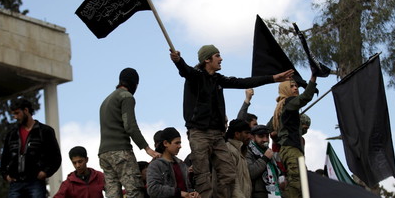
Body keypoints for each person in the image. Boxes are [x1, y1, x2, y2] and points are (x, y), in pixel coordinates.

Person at [170, 45, 294, 198]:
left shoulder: (218, 80)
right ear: (207, 59)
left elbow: (243, 82)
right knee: (202, 175)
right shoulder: (195, 75)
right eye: (217, 56)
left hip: (217, 135)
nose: (221, 59)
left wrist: (273, 78)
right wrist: (178, 61)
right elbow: (184, 70)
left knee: (228, 173)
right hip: (199, 133)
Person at [98, 68, 161, 198]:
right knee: (135, 191)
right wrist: (147, 148)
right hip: (120, 151)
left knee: (113, 193)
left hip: (104, 153)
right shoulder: (126, 96)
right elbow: (130, 126)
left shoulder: (106, 100)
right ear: (134, 83)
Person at [0, 98, 62, 198]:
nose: (15, 117)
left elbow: (55, 157)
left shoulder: (45, 131)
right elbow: (4, 157)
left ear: (26, 110)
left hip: (35, 182)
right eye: (13, 114)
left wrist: (45, 172)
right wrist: (6, 175)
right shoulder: (12, 134)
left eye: (17, 113)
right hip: (15, 182)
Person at [273, 74, 317, 198]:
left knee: (302, 185)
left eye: (296, 86)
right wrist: (313, 78)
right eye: (291, 86)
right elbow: (306, 97)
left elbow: (271, 129)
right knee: (297, 183)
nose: (295, 88)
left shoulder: (279, 108)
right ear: (285, 89)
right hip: (291, 149)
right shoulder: (288, 102)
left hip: (288, 150)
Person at [146, 127, 199, 198]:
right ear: (165, 143)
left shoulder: (182, 165)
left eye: (180, 143)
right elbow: (153, 189)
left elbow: (186, 188)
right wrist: (179, 193)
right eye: (177, 143)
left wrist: (193, 193)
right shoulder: (155, 165)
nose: (180, 146)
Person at [246, 125, 284, 198]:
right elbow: (251, 173)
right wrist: (265, 158)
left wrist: (281, 178)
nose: (265, 140)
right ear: (253, 137)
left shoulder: (268, 151)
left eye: (267, 136)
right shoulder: (248, 151)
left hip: (273, 194)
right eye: (261, 136)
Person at [224, 119, 252, 198]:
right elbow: (232, 182)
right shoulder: (229, 150)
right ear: (237, 134)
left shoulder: (241, 151)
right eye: (246, 133)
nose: (249, 136)